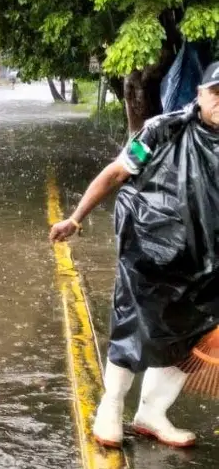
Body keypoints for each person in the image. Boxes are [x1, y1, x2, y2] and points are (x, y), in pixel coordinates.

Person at [49, 60, 219, 449]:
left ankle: (152, 414)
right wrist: (75, 219)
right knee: (133, 329)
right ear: (200, 93)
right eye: (217, 93)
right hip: (150, 256)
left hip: (208, 266)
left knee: (190, 337)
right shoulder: (164, 129)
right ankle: (110, 408)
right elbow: (115, 173)